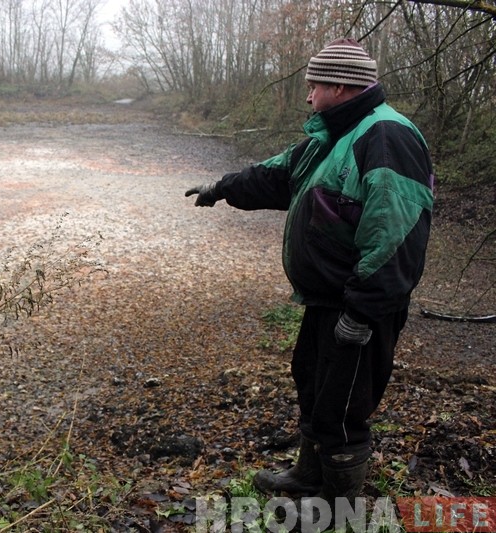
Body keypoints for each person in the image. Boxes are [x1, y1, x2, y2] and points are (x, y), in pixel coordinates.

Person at [186, 38, 434, 520]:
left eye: (314, 85)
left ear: (339, 85)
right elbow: (278, 176)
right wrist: (222, 187)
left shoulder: (386, 137)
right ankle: (308, 476)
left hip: (360, 304)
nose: (307, 95)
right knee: (314, 383)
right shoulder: (334, 134)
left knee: (343, 406)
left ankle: (337, 510)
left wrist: (362, 312)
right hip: (328, 299)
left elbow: (396, 234)